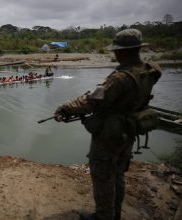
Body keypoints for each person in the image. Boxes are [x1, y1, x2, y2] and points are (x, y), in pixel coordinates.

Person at [54, 29, 161, 220]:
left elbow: (91, 101)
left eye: (117, 51)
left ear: (123, 51)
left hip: (110, 135)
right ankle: (115, 214)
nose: (115, 54)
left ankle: (103, 216)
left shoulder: (120, 78)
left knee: (103, 175)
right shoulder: (151, 70)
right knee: (118, 173)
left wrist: (65, 107)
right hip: (130, 130)